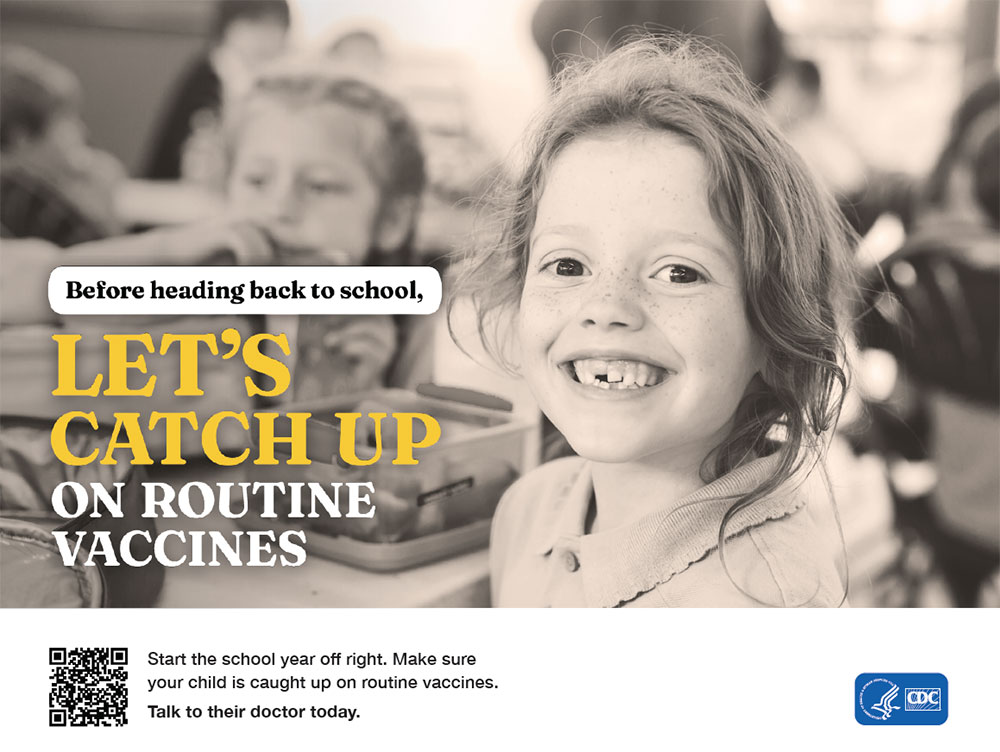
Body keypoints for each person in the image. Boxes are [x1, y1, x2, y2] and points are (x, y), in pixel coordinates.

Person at [451, 37, 855, 607]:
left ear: (774, 331)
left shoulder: (770, 602)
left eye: (679, 273)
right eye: (567, 265)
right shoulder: (527, 510)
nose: (607, 307)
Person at [222, 67, 428, 399]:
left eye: (319, 186)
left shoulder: (421, 338)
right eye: (257, 180)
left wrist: (366, 392)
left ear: (391, 220)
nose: (278, 209)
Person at [143, 0, 290, 184]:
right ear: (227, 28)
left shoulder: (280, 82)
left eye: (275, 25)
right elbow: (193, 161)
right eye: (254, 23)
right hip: (174, 191)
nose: (264, 37)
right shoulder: (207, 75)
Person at [0, 45, 125, 246]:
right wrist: (101, 205)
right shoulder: (28, 195)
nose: (82, 131)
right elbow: (110, 263)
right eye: (66, 121)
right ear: (20, 137)